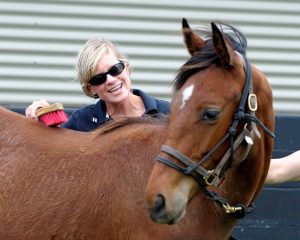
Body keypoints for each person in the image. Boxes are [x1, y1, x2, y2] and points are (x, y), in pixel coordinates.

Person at [25, 38, 170, 132]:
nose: (110, 80)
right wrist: (39, 120)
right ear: (90, 89)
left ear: (126, 67)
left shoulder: (170, 112)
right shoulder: (81, 122)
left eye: (115, 69)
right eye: (99, 78)